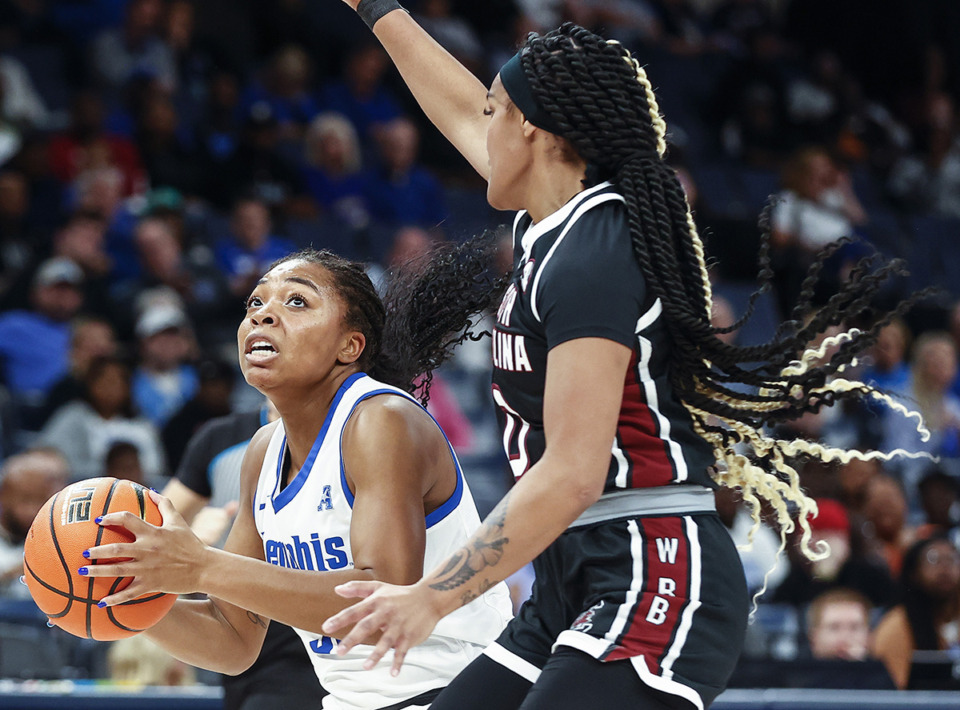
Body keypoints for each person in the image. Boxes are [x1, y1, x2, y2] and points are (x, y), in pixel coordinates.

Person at [319, 10, 928, 710]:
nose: (477, 128)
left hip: (653, 575)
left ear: (535, 132)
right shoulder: (551, 217)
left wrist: (431, 597)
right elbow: (459, 110)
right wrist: (378, 9)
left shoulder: (593, 254)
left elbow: (575, 472)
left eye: (495, 112)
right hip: (569, 584)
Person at [84, 247, 513, 709]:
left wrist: (202, 566)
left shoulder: (381, 420)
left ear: (350, 346)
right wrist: (120, 597)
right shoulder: (263, 452)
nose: (263, 314)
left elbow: (382, 602)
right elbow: (233, 641)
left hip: (459, 691)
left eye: (296, 302)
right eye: (255, 303)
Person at [161, 398, 327, 710]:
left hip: (301, 637)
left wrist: (202, 560)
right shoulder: (226, 440)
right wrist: (192, 536)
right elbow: (155, 529)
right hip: (238, 619)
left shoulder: (356, 431)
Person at [871, 535, 960, 689]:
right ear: (913, 573)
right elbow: (890, 693)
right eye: (934, 560)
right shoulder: (896, 627)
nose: (945, 568)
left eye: (952, 559)